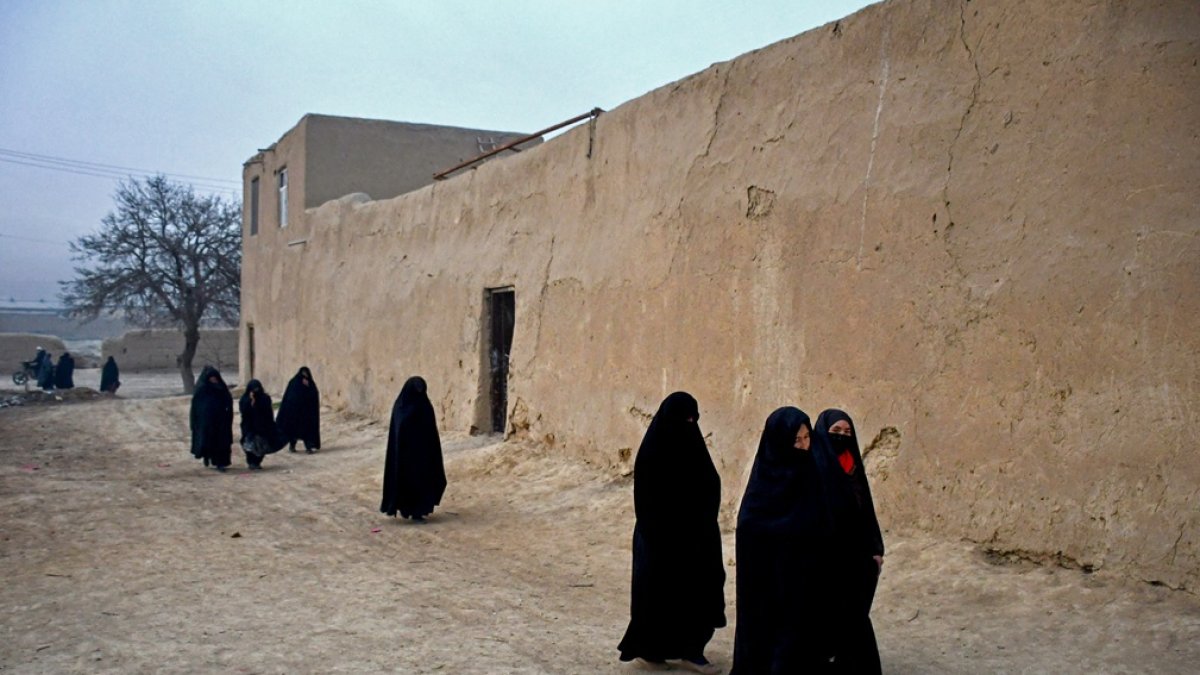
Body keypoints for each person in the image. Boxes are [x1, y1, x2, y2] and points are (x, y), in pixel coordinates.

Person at [618, 392, 725, 674]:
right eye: (683, 419)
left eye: (693, 419)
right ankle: (651, 651)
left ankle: (693, 651)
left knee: (699, 594)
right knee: (658, 598)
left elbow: (710, 486)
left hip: (698, 539)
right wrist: (664, 537)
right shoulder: (653, 452)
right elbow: (647, 502)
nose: (688, 424)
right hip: (660, 540)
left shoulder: (695, 449)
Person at [731, 407, 836, 674]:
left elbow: (824, 522)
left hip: (803, 579)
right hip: (767, 587)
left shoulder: (812, 476)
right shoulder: (762, 486)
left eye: (806, 438)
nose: (803, 446)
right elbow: (749, 527)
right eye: (796, 440)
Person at [813, 409, 885, 674]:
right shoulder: (815, 467)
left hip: (855, 557)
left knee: (853, 616)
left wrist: (876, 549)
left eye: (847, 432)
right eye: (835, 432)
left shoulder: (853, 466)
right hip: (825, 557)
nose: (842, 437)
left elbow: (866, 509)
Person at [380, 376, 446, 521]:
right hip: (405, 456)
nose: (419, 393)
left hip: (423, 456)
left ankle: (419, 511)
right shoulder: (401, 406)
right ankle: (406, 509)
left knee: (423, 482)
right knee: (406, 482)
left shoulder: (425, 406)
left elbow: (431, 433)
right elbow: (398, 431)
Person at [190, 366, 233, 472]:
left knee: (221, 443)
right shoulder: (202, 390)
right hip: (206, 422)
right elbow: (196, 407)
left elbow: (228, 402)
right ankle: (206, 456)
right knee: (207, 441)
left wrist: (227, 415)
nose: (214, 380)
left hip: (221, 422)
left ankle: (220, 463)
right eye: (211, 378)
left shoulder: (222, 389)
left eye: (215, 378)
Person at [239, 379, 285, 470]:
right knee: (249, 445)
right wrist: (250, 402)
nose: (256, 391)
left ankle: (257, 462)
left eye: (257, 389)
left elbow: (267, 412)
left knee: (262, 445)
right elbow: (244, 412)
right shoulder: (245, 399)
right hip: (249, 427)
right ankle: (251, 462)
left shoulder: (265, 398)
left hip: (263, 426)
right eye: (254, 389)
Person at [277, 366, 321, 453]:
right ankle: (292, 446)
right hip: (295, 413)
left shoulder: (310, 383)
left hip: (306, 414)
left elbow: (314, 394)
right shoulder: (294, 382)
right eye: (303, 373)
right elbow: (289, 398)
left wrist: (308, 386)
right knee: (293, 432)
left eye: (306, 373)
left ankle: (308, 447)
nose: (305, 375)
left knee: (307, 431)